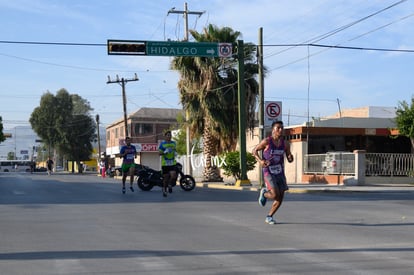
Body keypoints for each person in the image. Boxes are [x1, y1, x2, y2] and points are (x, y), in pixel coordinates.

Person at [252, 120, 294, 225]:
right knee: (275, 195)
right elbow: (254, 151)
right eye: (278, 128)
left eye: (281, 128)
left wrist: (290, 157)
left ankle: (269, 216)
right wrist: (260, 160)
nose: (280, 130)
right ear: (273, 130)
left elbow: (289, 158)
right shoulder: (267, 141)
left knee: (280, 197)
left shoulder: (285, 144)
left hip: (279, 172)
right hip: (268, 171)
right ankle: (264, 193)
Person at [158, 130, 177, 197]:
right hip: (165, 163)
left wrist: (175, 153)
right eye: (168, 135)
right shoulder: (162, 144)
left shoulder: (173, 143)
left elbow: (175, 150)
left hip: (172, 162)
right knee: (165, 178)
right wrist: (164, 152)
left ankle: (170, 184)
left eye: (170, 135)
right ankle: (164, 189)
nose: (169, 136)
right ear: (165, 136)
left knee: (173, 175)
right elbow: (159, 153)